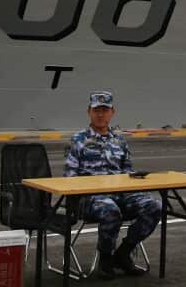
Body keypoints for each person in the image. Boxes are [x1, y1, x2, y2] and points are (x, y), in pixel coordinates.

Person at [64, 91, 161, 278]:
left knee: (154, 206)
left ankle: (124, 253)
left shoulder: (120, 140)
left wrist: (136, 179)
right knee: (111, 210)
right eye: (96, 110)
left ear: (112, 112)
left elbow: (128, 172)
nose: (100, 114)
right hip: (90, 198)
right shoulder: (78, 140)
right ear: (89, 112)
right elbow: (69, 176)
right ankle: (106, 259)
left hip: (121, 194)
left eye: (105, 110)